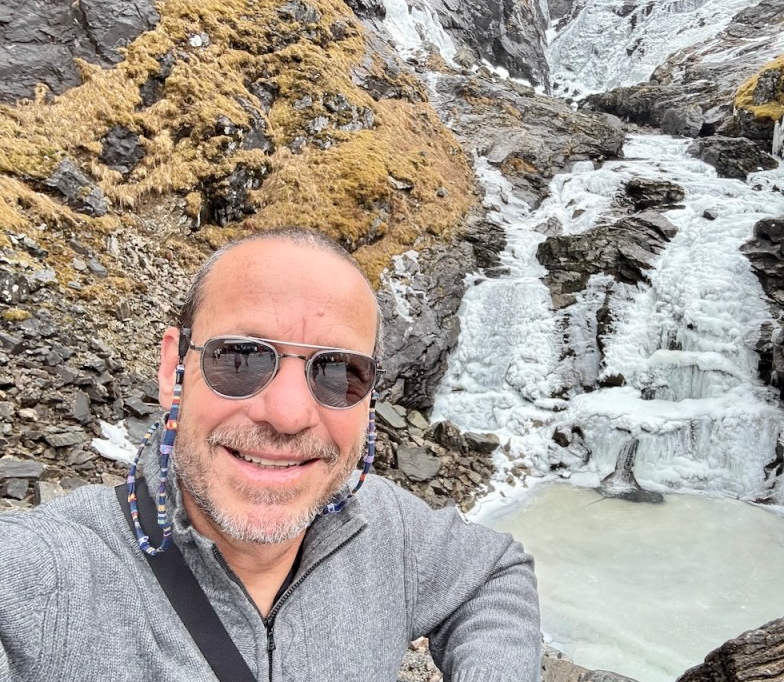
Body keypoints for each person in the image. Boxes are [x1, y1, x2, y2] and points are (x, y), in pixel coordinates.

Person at [0, 227, 542, 681]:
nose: (287, 414)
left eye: (338, 371)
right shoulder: (48, 576)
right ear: (173, 370)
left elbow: (493, 572)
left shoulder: (386, 526)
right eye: (242, 357)